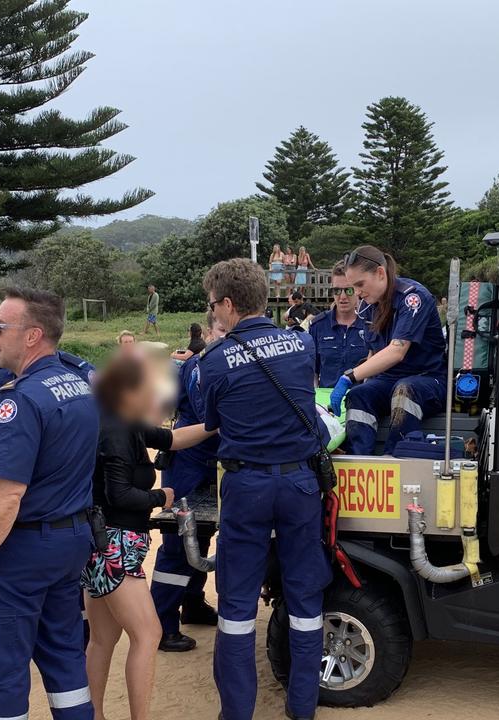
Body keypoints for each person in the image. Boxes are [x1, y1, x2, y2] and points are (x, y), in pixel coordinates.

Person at [0, 288, 97, 720]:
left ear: (32, 335)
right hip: (70, 542)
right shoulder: (78, 383)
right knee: (65, 660)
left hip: (24, 551)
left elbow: (7, 495)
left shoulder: (23, 399)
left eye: (1, 326)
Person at [201, 258, 330, 720]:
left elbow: (212, 423)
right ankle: (303, 708)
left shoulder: (213, 361)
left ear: (229, 304)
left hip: (246, 485)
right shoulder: (301, 343)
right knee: (304, 598)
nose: (212, 313)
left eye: (213, 306)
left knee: (235, 605)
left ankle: (236, 713)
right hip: (300, 484)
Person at [83, 351, 216, 720]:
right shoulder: (117, 430)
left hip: (103, 546)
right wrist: (162, 497)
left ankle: (93, 714)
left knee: (102, 639)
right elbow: (119, 494)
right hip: (115, 548)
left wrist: (214, 423)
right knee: (148, 635)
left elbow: (171, 439)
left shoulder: (124, 421)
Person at [151, 312, 226, 652]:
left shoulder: (217, 365)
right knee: (178, 543)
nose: (227, 336)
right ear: (208, 332)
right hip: (188, 463)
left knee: (203, 535)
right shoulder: (197, 369)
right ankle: (161, 624)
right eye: (222, 330)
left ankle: (192, 604)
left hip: (212, 463)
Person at [331, 245, 447, 456]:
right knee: (359, 395)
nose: (356, 292)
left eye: (360, 284)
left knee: (405, 390)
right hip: (389, 381)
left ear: (381, 273)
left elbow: (396, 351)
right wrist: (361, 383)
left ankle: (395, 456)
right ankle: (358, 459)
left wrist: (349, 376)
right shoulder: (368, 306)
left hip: (428, 380)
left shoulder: (413, 299)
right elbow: (374, 354)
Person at [307, 260, 369, 387]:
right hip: (326, 400)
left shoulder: (370, 324)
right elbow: (312, 371)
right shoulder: (318, 326)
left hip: (360, 399)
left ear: (357, 290)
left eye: (348, 290)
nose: (342, 296)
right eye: (337, 291)